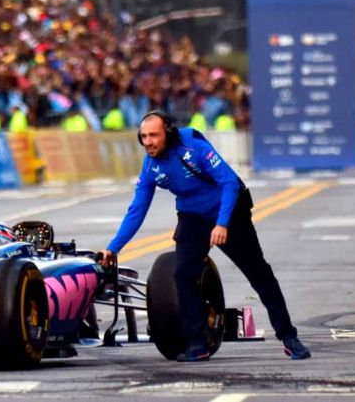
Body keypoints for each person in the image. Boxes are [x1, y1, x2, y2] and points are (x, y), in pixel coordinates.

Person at [101, 111, 311, 362]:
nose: (148, 142)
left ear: (167, 132)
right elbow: (137, 209)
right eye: (143, 137)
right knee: (183, 275)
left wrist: (222, 224)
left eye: (153, 136)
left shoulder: (194, 148)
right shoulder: (150, 166)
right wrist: (114, 247)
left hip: (229, 212)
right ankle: (197, 343)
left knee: (260, 274)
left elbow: (230, 183)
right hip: (193, 218)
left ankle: (289, 337)